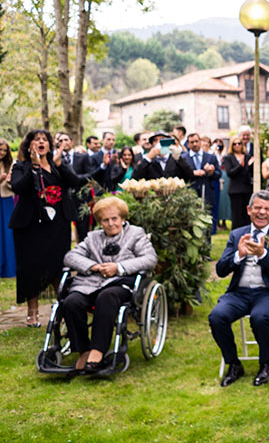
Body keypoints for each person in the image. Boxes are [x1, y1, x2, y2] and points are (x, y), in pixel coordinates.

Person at [62, 196, 157, 372]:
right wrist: (94, 266)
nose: (111, 223)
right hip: (90, 283)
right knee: (71, 302)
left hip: (121, 283)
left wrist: (119, 267)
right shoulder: (92, 237)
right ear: (100, 222)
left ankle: (97, 350)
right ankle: (83, 350)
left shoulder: (135, 234)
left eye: (115, 218)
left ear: (122, 218)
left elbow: (150, 259)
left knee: (107, 296)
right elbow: (70, 257)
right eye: (105, 220)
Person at [210, 191, 269, 387]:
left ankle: (266, 364)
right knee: (216, 317)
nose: (262, 212)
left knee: (259, 317)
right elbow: (221, 270)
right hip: (239, 293)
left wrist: (263, 254)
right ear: (249, 210)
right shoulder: (236, 234)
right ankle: (233, 364)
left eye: (267, 209)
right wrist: (238, 256)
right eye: (257, 208)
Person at [9, 130, 88, 326]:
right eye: (37, 140)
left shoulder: (57, 165)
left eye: (45, 140)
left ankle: (63, 307)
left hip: (57, 225)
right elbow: (19, 187)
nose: (41, 142)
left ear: (50, 146)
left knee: (59, 266)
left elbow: (75, 182)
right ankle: (32, 312)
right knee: (31, 268)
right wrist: (34, 167)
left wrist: (61, 165)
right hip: (30, 226)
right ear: (29, 146)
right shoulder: (21, 166)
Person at [185, 133, 221, 219]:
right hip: (190, 193)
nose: (195, 144)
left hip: (207, 192)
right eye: (192, 142)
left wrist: (211, 172)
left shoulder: (211, 157)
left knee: (207, 217)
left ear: (200, 142)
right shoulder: (183, 158)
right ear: (188, 144)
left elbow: (218, 174)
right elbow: (179, 175)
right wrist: (192, 173)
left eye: (196, 141)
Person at [222, 135, 254, 229]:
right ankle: (236, 236)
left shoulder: (247, 156)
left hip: (246, 188)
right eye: (234, 144)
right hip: (235, 190)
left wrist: (248, 165)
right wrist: (241, 164)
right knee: (236, 215)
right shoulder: (228, 157)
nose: (237, 145)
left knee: (247, 214)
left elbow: (247, 173)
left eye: (239, 143)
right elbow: (230, 173)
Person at [0, 139, 16, 279]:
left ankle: (9, 268)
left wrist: (10, 182)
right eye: (0, 150)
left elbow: (14, 187)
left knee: (8, 233)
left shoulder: (10, 164)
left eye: (5, 150)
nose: (3, 153)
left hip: (7, 200)